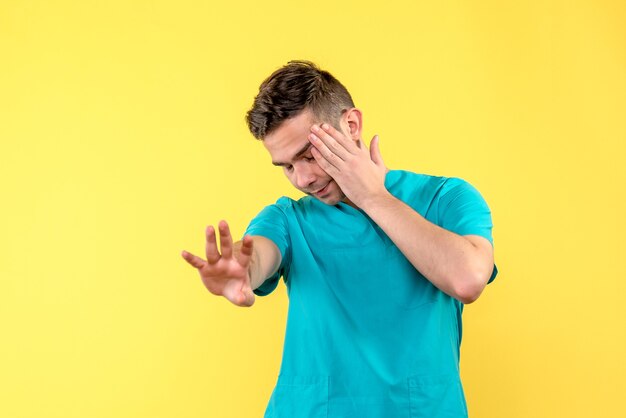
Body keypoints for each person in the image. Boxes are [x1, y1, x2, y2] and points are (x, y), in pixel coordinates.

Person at [181, 60, 498, 417]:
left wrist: (373, 197)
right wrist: (242, 272)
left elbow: (468, 278)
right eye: (286, 166)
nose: (302, 179)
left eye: (308, 155)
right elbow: (258, 255)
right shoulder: (288, 219)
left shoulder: (446, 197)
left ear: (350, 125)